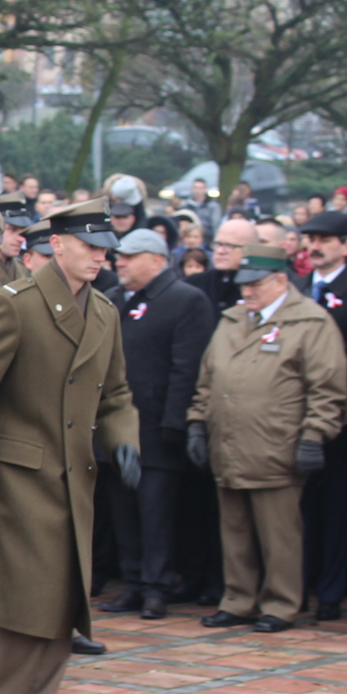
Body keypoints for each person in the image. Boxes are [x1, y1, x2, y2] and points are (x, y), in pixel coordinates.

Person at [0, 197, 138, 694]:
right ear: (56, 245)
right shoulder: (16, 304)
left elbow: (115, 395)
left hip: (74, 474)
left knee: (66, 598)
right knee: (31, 601)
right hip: (18, 473)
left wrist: (124, 439)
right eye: (89, 247)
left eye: (105, 249)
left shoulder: (104, 313)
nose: (99, 258)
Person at [188, 245, 347, 633]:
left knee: (279, 534)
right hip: (229, 442)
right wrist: (197, 422)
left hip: (277, 443)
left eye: (256, 285)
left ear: (281, 281)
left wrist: (314, 436)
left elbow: (327, 388)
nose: (247, 292)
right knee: (235, 530)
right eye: (244, 285)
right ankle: (238, 599)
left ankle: (281, 603)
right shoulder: (232, 319)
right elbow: (208, 378)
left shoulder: (311, 322)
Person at [97, 229, 215, 620]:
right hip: (117, 431)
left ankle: (156, 587)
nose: (120, 262)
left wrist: (174, 426)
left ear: (157, 259)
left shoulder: (186, 301)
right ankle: (133, 583)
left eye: (131, 256)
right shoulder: (114, 300)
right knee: (124, 512)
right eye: (120, 256)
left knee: (156, 514)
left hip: (157, 431)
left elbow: (187, 369)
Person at [293, 211, 347, 619]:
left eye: (325, 239)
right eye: (310, 238)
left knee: (337, 509)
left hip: (337, 417)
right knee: (299, 510)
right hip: (293, 416)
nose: (315, 246)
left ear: (346, 245)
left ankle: (331, 594)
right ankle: (298, 588)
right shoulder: (297, 287)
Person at [186, 217, 256, 314]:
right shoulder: (193, 285)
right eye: (218, 244)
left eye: (230, 245)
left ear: (248, 250)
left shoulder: (257, 290)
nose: (220, 251)